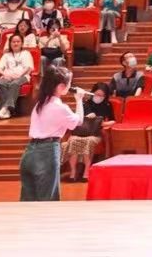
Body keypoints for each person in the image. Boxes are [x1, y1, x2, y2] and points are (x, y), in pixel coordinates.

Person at [20, 64, 84, 201]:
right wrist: (79, 100)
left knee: (28, 200)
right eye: (69, 83)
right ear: (61, 86)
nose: (70, 86)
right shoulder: (59, 107)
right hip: (47, 151)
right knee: (48, 200)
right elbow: (78, 121)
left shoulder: (39, 104)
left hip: (30, 152)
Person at [64, 84, 114, 182]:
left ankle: (86, 171)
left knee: (88, 142)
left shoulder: (107, 105)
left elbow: (113, 120)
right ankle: (73, 172)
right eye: (97, 94)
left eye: (102, 95)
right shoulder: (85, 104)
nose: (99, 97)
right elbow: (78, 119)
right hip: (82, 131)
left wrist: (102, 123)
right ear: (92, 93)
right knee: (72, 140)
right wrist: (87, 117)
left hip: (96, 132)